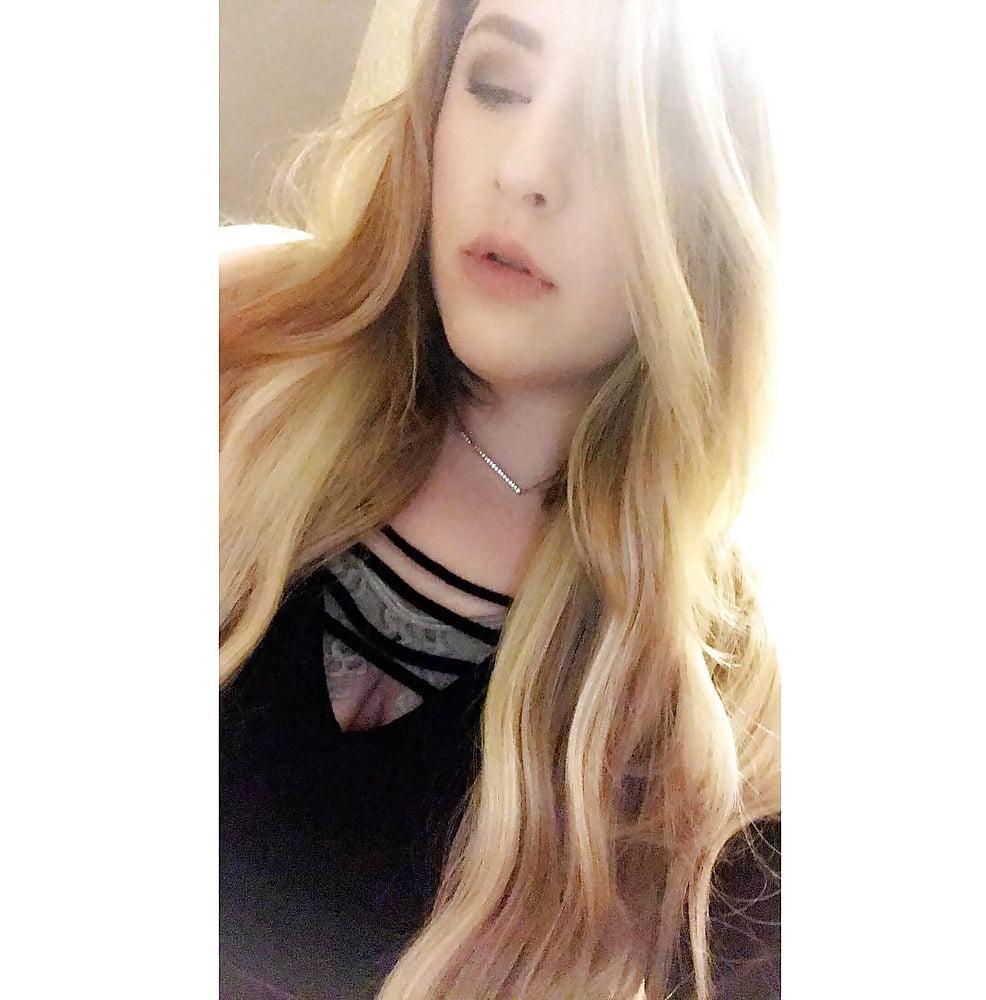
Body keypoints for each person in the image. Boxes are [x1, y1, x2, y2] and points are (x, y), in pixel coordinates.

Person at [219, 1, 781, 997]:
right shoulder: (231, 337)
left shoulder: (716, 712)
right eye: (497, 85)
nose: (525, 169)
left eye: (620, 129)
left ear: (714, 209)